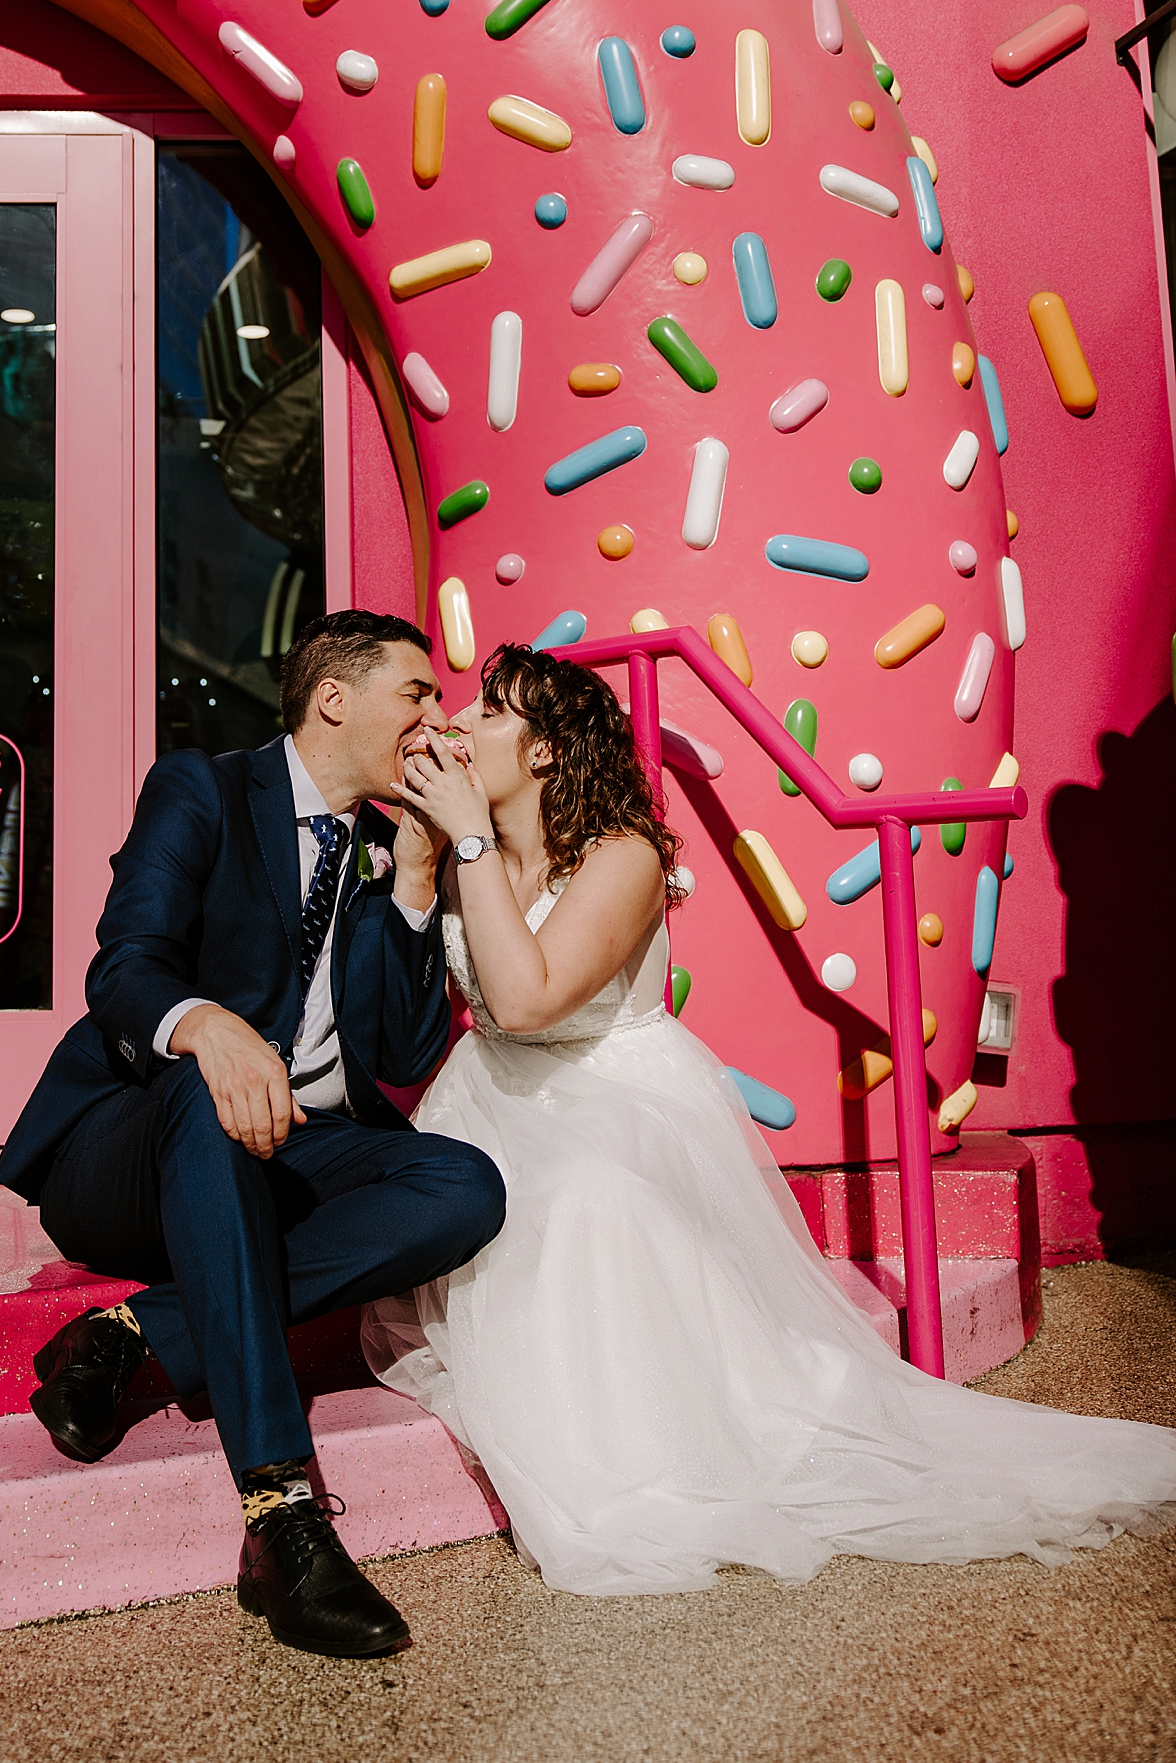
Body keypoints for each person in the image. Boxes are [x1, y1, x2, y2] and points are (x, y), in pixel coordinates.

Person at [364, 641, 1176, 1597]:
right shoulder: (472, 855)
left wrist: (462, 842)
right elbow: (423, 1030)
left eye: (491, 710)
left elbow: (528, 1000)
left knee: (589, 1197)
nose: (458, 723)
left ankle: (647, 1447)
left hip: (609, 1093)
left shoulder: (620, 857)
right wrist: (426, 862)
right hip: (489, 1095)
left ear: (544, 752)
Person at [0, 610, 506, 1657]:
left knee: (466, 1188)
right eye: (417, 693)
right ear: (335, 698)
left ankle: (136, 1336)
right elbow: (124, 966)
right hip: (130, 1148)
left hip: (288, 1150)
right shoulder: (204, 790)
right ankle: (280, 1513)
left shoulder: (378, 846)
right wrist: (209, 1027)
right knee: (206, 1093)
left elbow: (401, 1055)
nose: (435, 720)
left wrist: (412, 876)